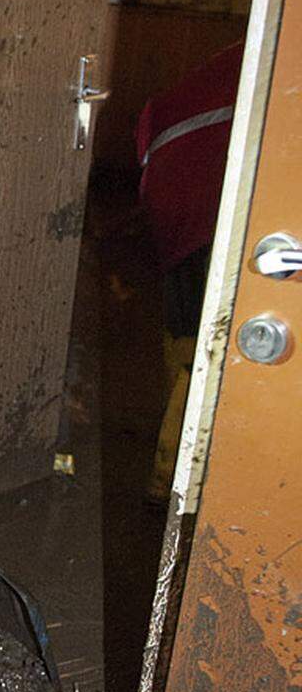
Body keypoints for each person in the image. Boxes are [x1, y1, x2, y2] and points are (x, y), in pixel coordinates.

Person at [136, 39, 242, 501]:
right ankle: (175, 483)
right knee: (203, 351)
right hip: (206, 206)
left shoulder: (248, 50)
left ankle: (173, 454)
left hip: (174, 190)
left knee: (185, 338)